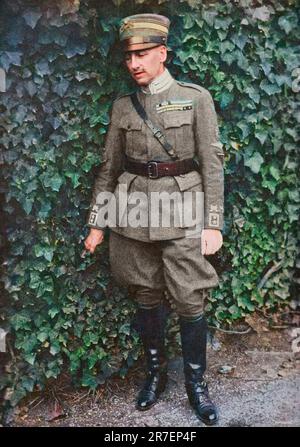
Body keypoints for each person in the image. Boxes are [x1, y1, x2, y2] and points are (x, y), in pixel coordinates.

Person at [84, 13, 224, 426]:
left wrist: (213, 223)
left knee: (189, 299)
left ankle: (196, 387)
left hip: (183, 214)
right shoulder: (122, 107)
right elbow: (108, 169)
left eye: (142, 54)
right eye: (129, 55)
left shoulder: (195, 98)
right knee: (145, 295)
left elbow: (212, 166)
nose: (134, 63)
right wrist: (97, 223)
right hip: (132, 216)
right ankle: (155, 376)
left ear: (163, 53)